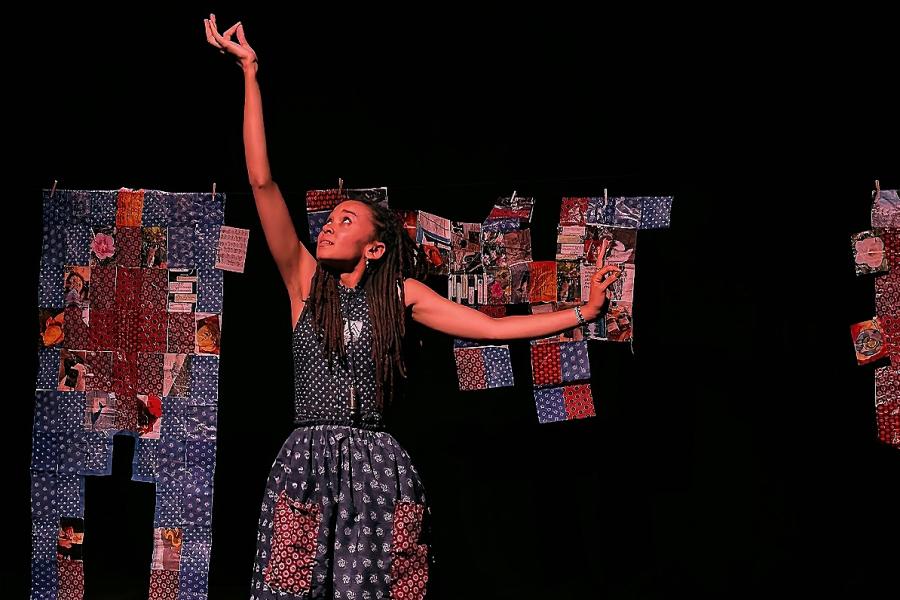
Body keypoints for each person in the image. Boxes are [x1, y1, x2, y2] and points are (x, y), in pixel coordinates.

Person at [204, 14, 621, 599]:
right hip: (306, 463)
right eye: (329, 218)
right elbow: (261, 180)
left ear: (374, 247)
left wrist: (584, 312)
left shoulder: (401, 296)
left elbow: (488, 328)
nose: (327, 225)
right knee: (291, 589)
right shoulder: (302, 281)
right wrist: (250, 73)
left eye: (344, 220)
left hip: (376, 468)